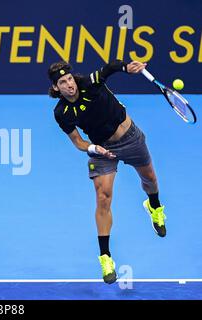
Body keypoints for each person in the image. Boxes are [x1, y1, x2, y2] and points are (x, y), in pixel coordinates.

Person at [48, 60, 167, 284]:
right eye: (63, 82)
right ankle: (105, 256)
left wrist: (127, 67)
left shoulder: (88, 83)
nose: (69, 84)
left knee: (149, 178)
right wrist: (94, 149)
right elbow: (78, 141)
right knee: (103, 197)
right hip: (102, 149)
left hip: (130, 138)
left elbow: (109, 68)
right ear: (56, 88)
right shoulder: (61, 112)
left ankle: (154, 205)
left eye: (70, 79)